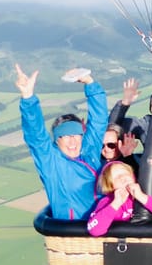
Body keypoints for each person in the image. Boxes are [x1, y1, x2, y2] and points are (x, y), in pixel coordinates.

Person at [16, 64, 108, 220]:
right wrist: (28, 98)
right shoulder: (52, 162)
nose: (72, 141)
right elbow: (36, 136)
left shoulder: (89, 151)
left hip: (104, 225)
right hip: (75, 230)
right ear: (57, 141)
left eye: (76, 135)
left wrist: (89, 82)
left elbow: (99, 121)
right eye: (65, 136)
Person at [86, 161, 152, 235]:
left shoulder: (149, 191)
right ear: (110, 185)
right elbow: (94, 230)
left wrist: (142, 197)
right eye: (116, 177)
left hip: (150, 240)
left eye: (125, 173)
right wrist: (116, 204)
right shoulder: (107, 201)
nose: (123, 178)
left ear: (132, 176)